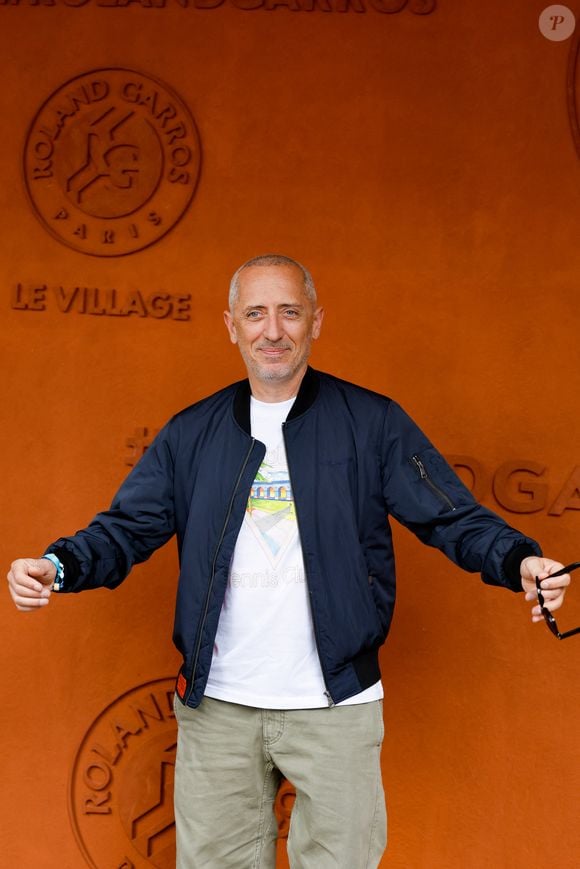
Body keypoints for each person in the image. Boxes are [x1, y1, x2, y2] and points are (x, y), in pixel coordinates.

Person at [7, 254, 572, 869]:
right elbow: (124, 530)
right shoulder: (190, 434)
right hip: (219, 708)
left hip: (336, 708)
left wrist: (519, 558)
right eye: (255, 313)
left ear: (315, 322)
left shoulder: (372, 423)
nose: (272, 330)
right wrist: (58, 566)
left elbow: (449, 515)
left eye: (289, 312)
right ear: (231, 325)